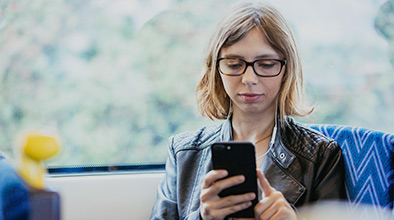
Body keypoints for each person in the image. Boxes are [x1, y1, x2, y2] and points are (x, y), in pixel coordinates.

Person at [150, 1, 346, 219]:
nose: (249, 79)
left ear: (286, 70)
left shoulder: (321, 155)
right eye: (234, 64)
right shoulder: (183, 153)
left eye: (266, 65)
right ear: (217, 70)